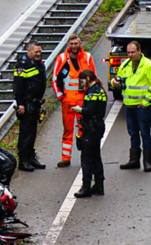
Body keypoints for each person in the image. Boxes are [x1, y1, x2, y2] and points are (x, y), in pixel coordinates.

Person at [110, 40, 151, 172]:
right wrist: (114, 82)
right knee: (133, 133)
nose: (130, 55)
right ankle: (134, 160)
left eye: (133, 52)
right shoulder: (125, 64)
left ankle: (147, 162)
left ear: (139, 51)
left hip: (142, 106)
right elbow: (118, 79)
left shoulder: (149, 65)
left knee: (145, 133)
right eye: (128, 52)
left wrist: (145, 103)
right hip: (129, 105)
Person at [52, 34, 95, 167]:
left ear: (80, 43)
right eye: (71, 44)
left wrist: (91, 97)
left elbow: (93, 78)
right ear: (68, 45)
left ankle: (84, 156)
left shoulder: (87, 57)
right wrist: (60, 96)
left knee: (84, 128)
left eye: (76, 43)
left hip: (83, 99)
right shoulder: (62, 58)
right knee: (68, 130)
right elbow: (55, 79)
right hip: (68, 100)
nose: (74, 46)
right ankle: (66, 157)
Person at [71, 69, 107, 198]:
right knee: (96, 156)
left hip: (92, 127)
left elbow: (89, 111)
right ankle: (99, 185)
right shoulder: (99, 90)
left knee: (86, 158)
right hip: (98, 126)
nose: (81, 84)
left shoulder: (92, 92)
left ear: (87, 78)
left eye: (82, 81)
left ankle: (86, 187)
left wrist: (79, 110)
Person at [13, 41, 47, 171]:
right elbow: (18, 86)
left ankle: (31, 157)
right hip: (26, 104)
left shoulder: (39, 63)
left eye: (40, 52)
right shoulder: (22, 65)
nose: (38, 54)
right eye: (36, 52)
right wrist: (20, 103)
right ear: (29, 51)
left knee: (32, 132)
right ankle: (23, 160)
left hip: (35, 103)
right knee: (25, 133)